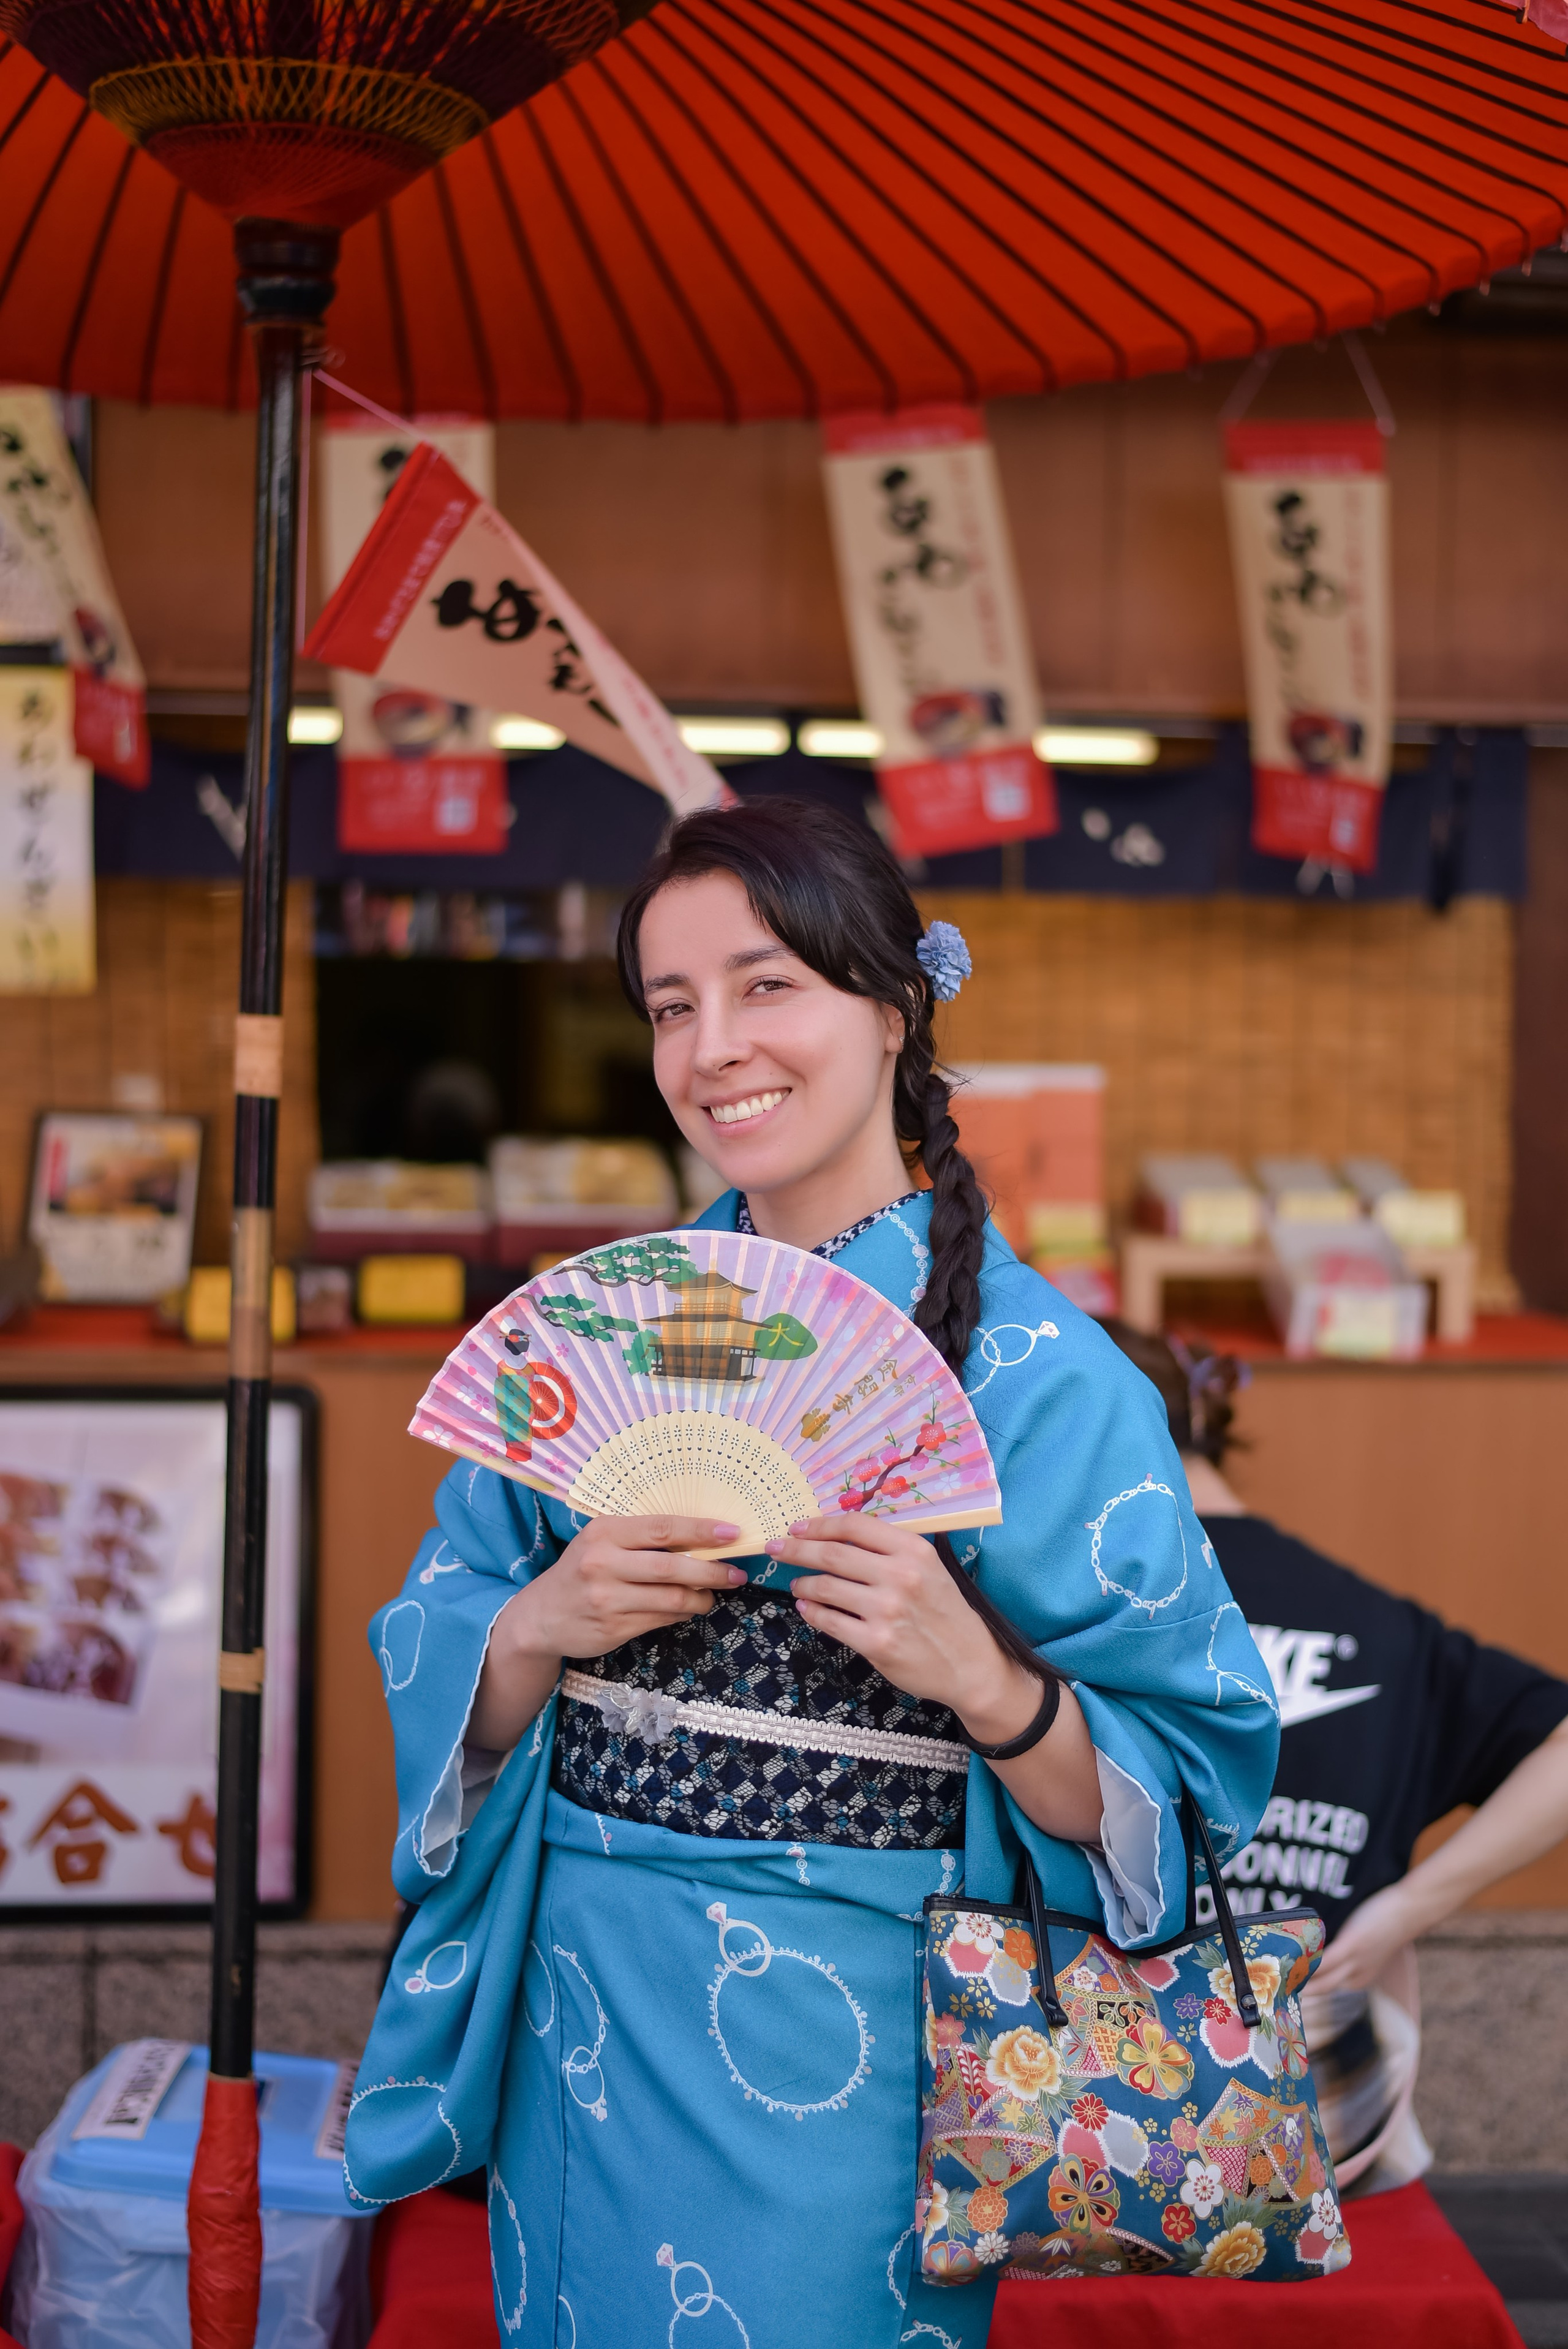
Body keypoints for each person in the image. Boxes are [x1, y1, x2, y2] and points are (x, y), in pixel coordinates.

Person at [346, 799, 1278, 2348]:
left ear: (892, 1005)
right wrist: (534, 1624)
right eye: (669, 1004)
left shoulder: (1046, 1374)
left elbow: (1184, 1782)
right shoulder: (600, 1336)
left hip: (865, 2040)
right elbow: (441, 1627)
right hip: (589, 2007)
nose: (714, 1046)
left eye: (764, 984)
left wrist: (980, 1677)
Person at [1101, 1318, 1568, 2193]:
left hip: (1101, 2101)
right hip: (1323, 2117)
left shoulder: (1092, 1620)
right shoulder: (1386, 1628)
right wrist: (1406, 1909)